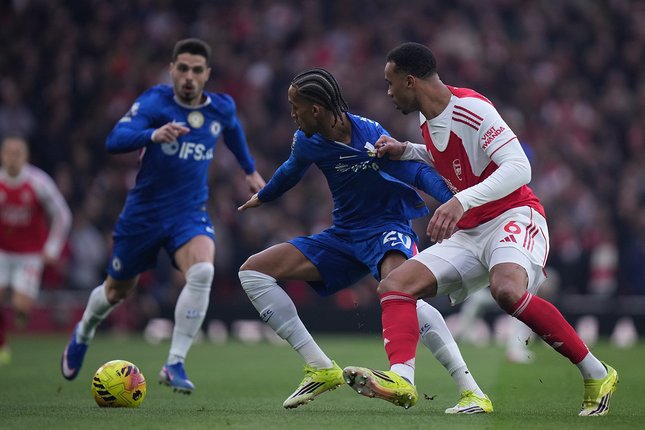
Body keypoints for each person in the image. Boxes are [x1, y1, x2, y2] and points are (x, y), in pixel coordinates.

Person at [343, 42, 618, 416]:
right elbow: (451, 159)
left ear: (410, 81)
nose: (388, 93)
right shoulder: (425, 121)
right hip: (471, 231)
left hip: (514, 215)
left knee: (506, 290)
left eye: (391, 84)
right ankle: (401, 378)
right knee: (394, 285)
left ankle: (596, 372)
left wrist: (460, 201)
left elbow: (520, 167)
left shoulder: (472, 108)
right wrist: (406, 150)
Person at [237, 68, 492, 413]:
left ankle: (468, 390)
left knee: (404, 292)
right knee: (253, 271)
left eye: (295, 107)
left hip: (387, 228)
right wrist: (265, 196)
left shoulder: (369, 134)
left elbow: (413, 170)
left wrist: (451, 197)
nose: (292, 114)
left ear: (315, 109)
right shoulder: (308, 141)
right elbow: (290, 171)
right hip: (343, 236)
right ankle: (320, 367)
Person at [60, 38, 265, 393]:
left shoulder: (221, 108)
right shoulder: (155, 101)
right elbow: (115, 139)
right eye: (182, 68)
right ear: (172, 69)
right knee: (116, 291)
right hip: (143, 215)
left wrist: (248, 170)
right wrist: (151, 134)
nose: (188, 76)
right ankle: (84, 332)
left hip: (188, 213)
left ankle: (174, 363)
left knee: (202, 270)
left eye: (196, 70)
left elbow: (231, 131)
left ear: (207, 74)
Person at [0, 135, 72, 365]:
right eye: (9, 153)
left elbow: (62, 214)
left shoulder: (38, 182)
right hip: (2, 252)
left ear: (25, 156)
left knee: (21, 308)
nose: (13, 158)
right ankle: (3, 346)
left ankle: (20, 314)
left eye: (17, 153)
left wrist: (52, 248)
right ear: (2, 155)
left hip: (29, 255)